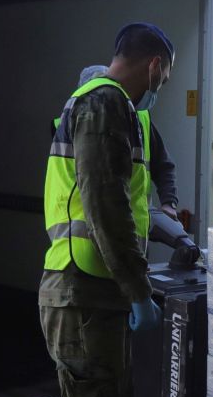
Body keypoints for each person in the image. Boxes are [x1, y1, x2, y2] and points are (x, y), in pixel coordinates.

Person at [40, 22, 176, 397]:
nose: (162, 86)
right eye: (165, 76)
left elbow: (136, 196)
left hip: (99, 297)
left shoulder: (119, 111)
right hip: (82, 293)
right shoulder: (102, 106)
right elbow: (105, 201)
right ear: (152, 65)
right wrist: (138, 288)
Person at [66, 65, 200, 267]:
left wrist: (168, 202)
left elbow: (163, 164)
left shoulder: (139, 117)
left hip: (134, 232)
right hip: (87, 242)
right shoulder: (75, 123)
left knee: (188, 248)